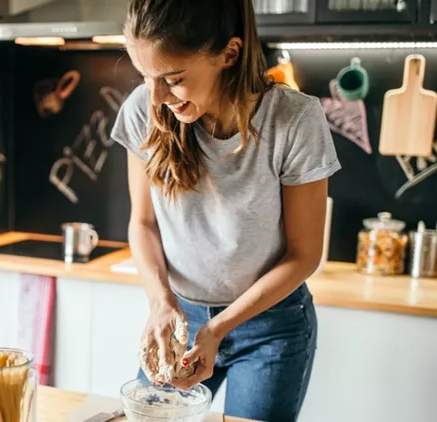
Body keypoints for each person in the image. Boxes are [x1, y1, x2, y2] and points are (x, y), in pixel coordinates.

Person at [109, 0, 341, 421]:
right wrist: (161, 302)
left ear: (229, 54)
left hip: (271, 327)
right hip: (180, 316)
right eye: (146, 78)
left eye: (173, 79)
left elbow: (304, 255)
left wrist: (218, 328)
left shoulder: (293, 120)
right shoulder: (144, 108)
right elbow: (142, 223)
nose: (157, 97)